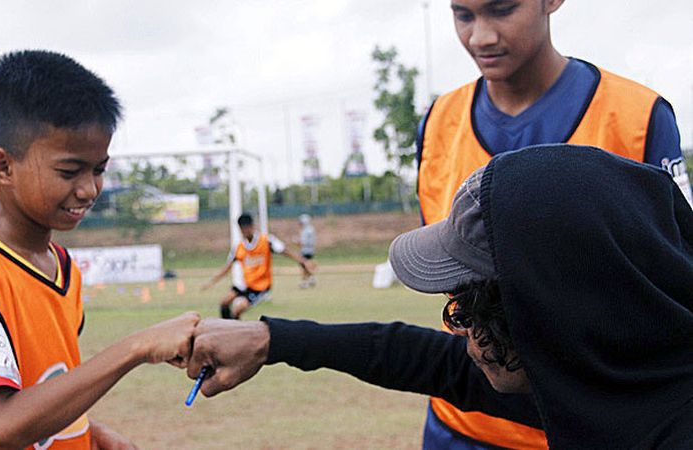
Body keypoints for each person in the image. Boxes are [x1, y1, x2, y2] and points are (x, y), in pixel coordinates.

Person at [187, 145, 693, 449]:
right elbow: (429, 360)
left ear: (546, 309)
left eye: (474, 305)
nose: (457, 326)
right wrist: (270, 340)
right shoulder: (608, 373)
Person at [0, 50, 200, 449]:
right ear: (2, 167)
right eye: (69, 172)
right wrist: (137, 347)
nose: (89, 189)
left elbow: (41, 387)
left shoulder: (61, 267)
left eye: (99, 169)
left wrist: (88, 433)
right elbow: (3, 424)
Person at [415, 1, 692, 447]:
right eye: (463, 15)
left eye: (502, 10)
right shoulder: (435, 126)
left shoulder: (637, 117)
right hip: (463, 422)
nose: (480, 36)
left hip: (586, 427)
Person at [201, 213, 315, 320]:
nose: (245, 231)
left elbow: (285, 251)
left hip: (261, 287)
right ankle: (226, 328)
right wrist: (211, 282)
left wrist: (303, 261)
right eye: (242, 229)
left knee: (237, 309)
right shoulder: (239, 247)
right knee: (224, 302)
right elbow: (227, 268)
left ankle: (234, 333)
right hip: (245, 285)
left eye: (247, 228)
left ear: (252, 226)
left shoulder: (266, 241)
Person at [297, 214, 317, 289]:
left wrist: (296, 242)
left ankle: (305, 282)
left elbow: (303, 242)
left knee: (304, 266)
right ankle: (311, 278)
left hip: (306, 250)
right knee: (306, 265)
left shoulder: (306, 230)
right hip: (310, 250)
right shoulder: (310, 229)